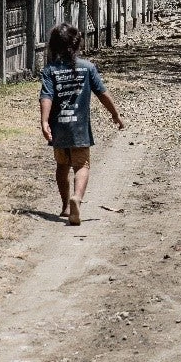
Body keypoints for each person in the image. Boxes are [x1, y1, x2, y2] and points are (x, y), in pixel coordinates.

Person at [39, 23, 124, 226]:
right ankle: (76, 197)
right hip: (79, 129)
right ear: (77, 45)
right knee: (82, 165)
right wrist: (116, 115)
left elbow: (47, 96)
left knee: (62, 166)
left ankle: (65, 206)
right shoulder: (88, 68)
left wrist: (44, 121)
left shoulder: (51, 70)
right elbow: (102, 93)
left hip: (59, 127)